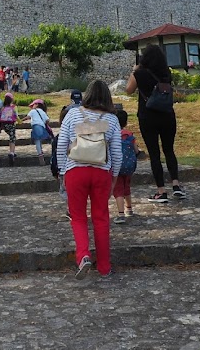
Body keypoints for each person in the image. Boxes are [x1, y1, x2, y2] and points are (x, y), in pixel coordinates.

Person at [57, 80, 122, 280]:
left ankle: (83, 255)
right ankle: (104, 266)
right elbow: (117, 153)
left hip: (76, 170)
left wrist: (61, 172)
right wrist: (114, 177)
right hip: (101, 171)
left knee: (77, 217)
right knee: (101, 217)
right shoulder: (112, 119)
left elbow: (61, 144)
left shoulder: (73, 114)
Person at [126, 44, 186, 201]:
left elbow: (128, 90)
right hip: (167, 115)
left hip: (148, 117)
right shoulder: (166, 72)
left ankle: (161, 191)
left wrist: (134, 71)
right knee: (169, 150)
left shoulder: (139, 73)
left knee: (154, 154)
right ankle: (176, 184)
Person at [113, 109, 137, 224]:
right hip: (129, 167)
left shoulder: (113, 135)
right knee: (126, 187)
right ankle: (129, 208)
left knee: (118, 190)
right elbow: (136, 150)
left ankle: (121, 214)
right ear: (126, 122)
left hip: (117, 168)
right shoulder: (130, 135)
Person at [27, 99, 51, 166]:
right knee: (47, 139)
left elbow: (28, 117)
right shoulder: (43, 112)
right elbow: (47, 120)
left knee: (37, 141)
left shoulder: (33, 111)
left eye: (33, 104)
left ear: (37, 104)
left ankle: (40, 155)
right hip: (42, 127)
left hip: (35, 127)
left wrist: (21, 120)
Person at [0, 93, 20, 166]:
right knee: (12, 138)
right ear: (12, 99)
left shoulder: (2, 107)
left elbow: (0, 115)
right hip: (11, 124)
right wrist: (20, 121)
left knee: (10, 135)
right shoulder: (14, 107)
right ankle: (12, 152)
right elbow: (16, 116)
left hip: (3, 124)